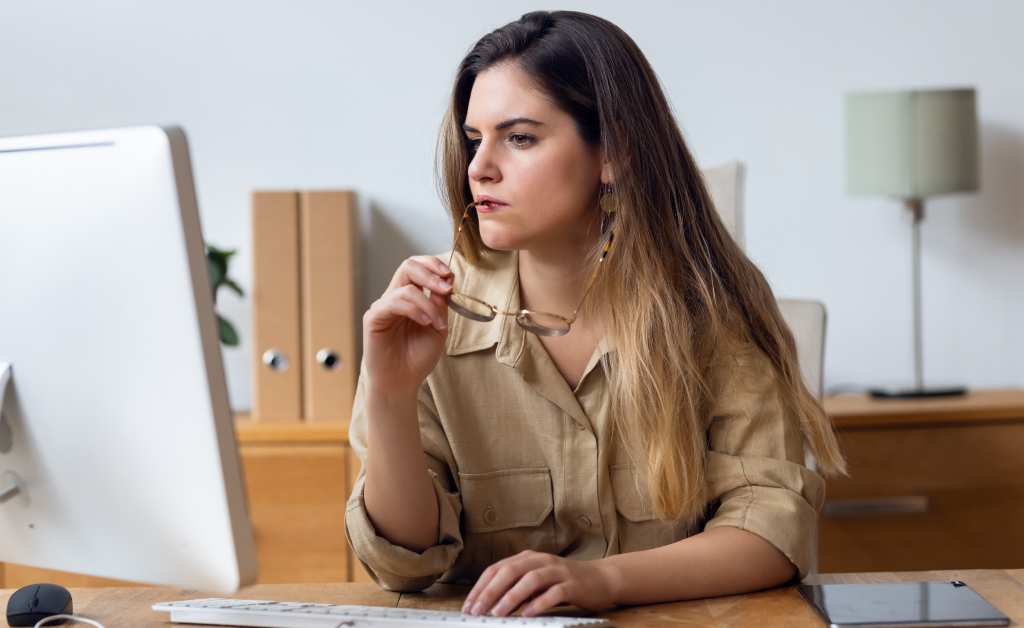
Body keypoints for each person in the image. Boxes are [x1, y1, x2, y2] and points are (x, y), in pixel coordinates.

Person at [344, 10, 845, 618]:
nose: (479, 167)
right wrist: (390, 397)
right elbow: (403, 563)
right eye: (475, 139)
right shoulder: (428, 315)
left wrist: (599, 583)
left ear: (614, 153)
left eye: (520, 137)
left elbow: (771, 527)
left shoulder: (714, 307)